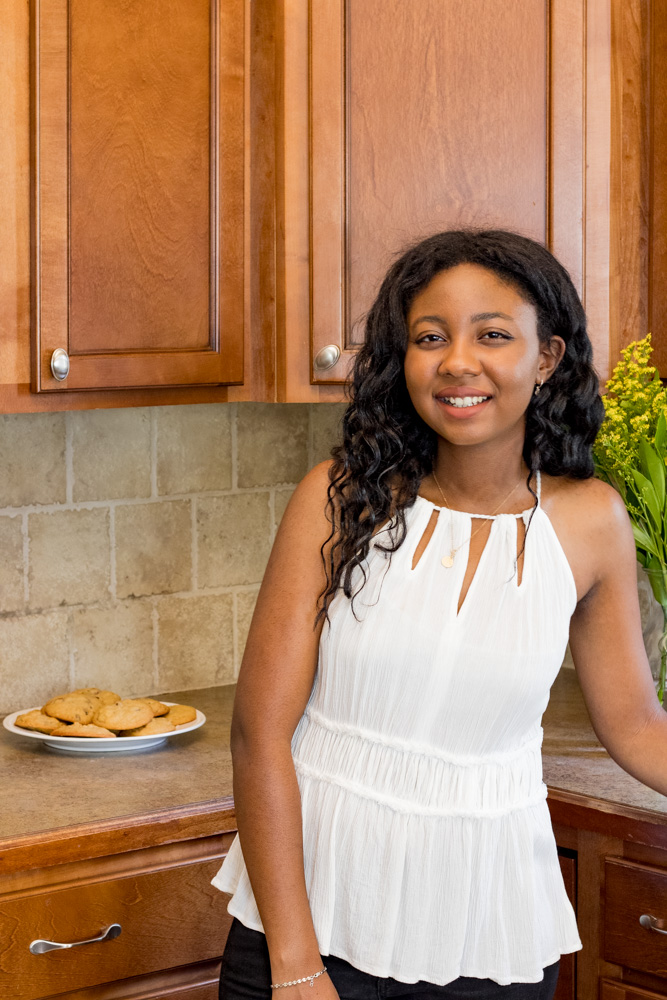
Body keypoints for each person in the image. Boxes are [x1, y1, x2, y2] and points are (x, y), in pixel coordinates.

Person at [213, 230, 667, 999]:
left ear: (546, 356)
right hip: (311, 932)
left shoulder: (591, 521)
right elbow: (259, 734)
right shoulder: (337, 500)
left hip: (489, 935)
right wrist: (294, 966)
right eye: (431, 337)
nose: (459, 361)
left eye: (493, 334)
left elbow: (633, 724)